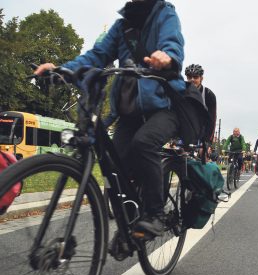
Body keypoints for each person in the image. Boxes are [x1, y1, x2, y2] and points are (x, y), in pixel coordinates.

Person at [34, 0, 185, 238]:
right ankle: (129, 227)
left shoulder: (165, 14)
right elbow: (97, 55)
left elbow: (172, 43)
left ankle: (155, 214)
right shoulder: (121, 26)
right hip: (130, 113)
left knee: (144, 143)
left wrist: (167, 57)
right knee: (115, 168)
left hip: (163, 107)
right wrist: (63, 69)